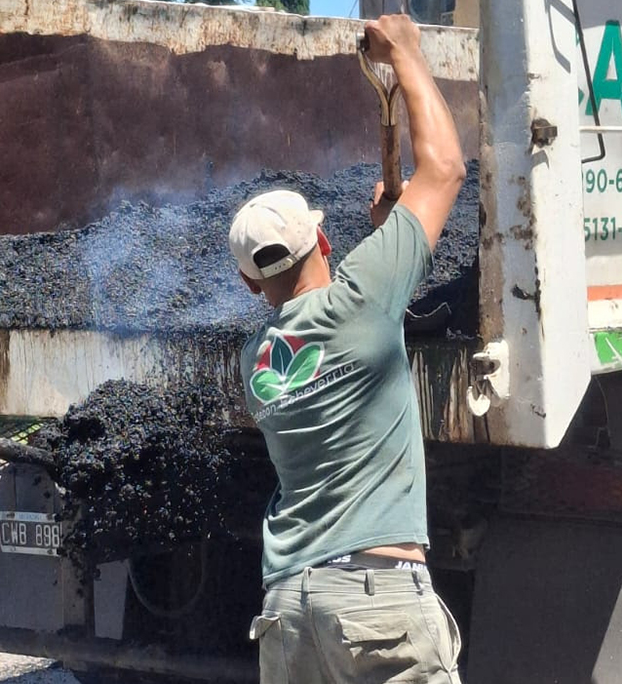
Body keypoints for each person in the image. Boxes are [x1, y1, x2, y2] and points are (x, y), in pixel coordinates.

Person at [229, 13, 467, 684]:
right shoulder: (362, 297)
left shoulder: (258, 362)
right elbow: (445, 168)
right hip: (377, 604)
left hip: (289, 608)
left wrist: (392, 237)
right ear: (325, 243)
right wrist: (407, 56)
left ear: (250, 284)